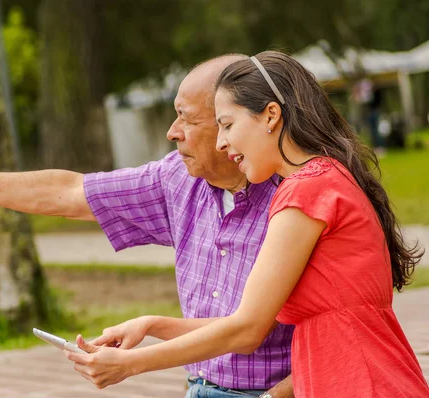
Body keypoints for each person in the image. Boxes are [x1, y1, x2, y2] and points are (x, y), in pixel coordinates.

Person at [0, 55, 295, 398]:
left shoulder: (297, 196)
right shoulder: (177, 179)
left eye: (187, 120)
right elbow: (69, 192)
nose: (172, 133)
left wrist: (133, 362)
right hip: (198, 384)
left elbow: (259, 328)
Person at [61, 51, 429, 397]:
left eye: (227, 125)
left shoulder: (306, 192)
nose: (222, 142)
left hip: (362, 384)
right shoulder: (325, 177)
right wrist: (152, 325)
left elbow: (247, 330)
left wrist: (130, 365)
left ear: (270, 116)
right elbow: (247, 322)